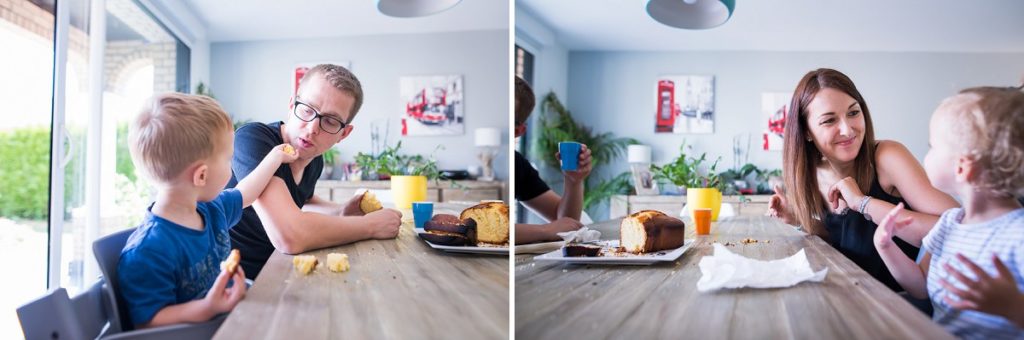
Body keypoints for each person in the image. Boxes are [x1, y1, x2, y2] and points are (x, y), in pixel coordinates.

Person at [765, 68, 959, 291]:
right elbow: (840, 245)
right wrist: (797, 219)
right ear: (807, 132)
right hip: (855, 296)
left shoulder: (886, 156)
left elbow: (957, 227)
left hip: (909, 300)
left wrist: (864, 203)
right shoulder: (811, 174)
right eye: (829, 120)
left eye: (853, 113)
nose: (847, 130)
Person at [119, 93, 299, 328]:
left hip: (230, 319)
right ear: (201, 175)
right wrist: (207, 308)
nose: (231, 167)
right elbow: (148, 321)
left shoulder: (210, 208)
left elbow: (246, 192)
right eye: (228, 160)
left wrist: (275, 157)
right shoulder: (148, 251)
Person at [873, 86, 1024, 337]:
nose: (926, 155)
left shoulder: (1018, 235)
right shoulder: (950, 224)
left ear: (962, 168)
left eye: (932, 146)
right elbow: (920, 287)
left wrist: (1013, 307)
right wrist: (886, 246)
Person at [228, 64, 402, 279]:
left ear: (344, 134)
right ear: (292, 106)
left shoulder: (314, 160)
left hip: (278, 270)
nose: (312, 128)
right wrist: (370, 226)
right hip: (232, 279)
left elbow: (305, 200)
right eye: (307, 110)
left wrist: (340, 210)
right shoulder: (254, 140)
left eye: (330, 121)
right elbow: (289, 235)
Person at [514, 76, 593, 244]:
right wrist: (544, 230)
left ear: (519, 130)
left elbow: (565, 223)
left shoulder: (517, 165)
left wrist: (573, 181)